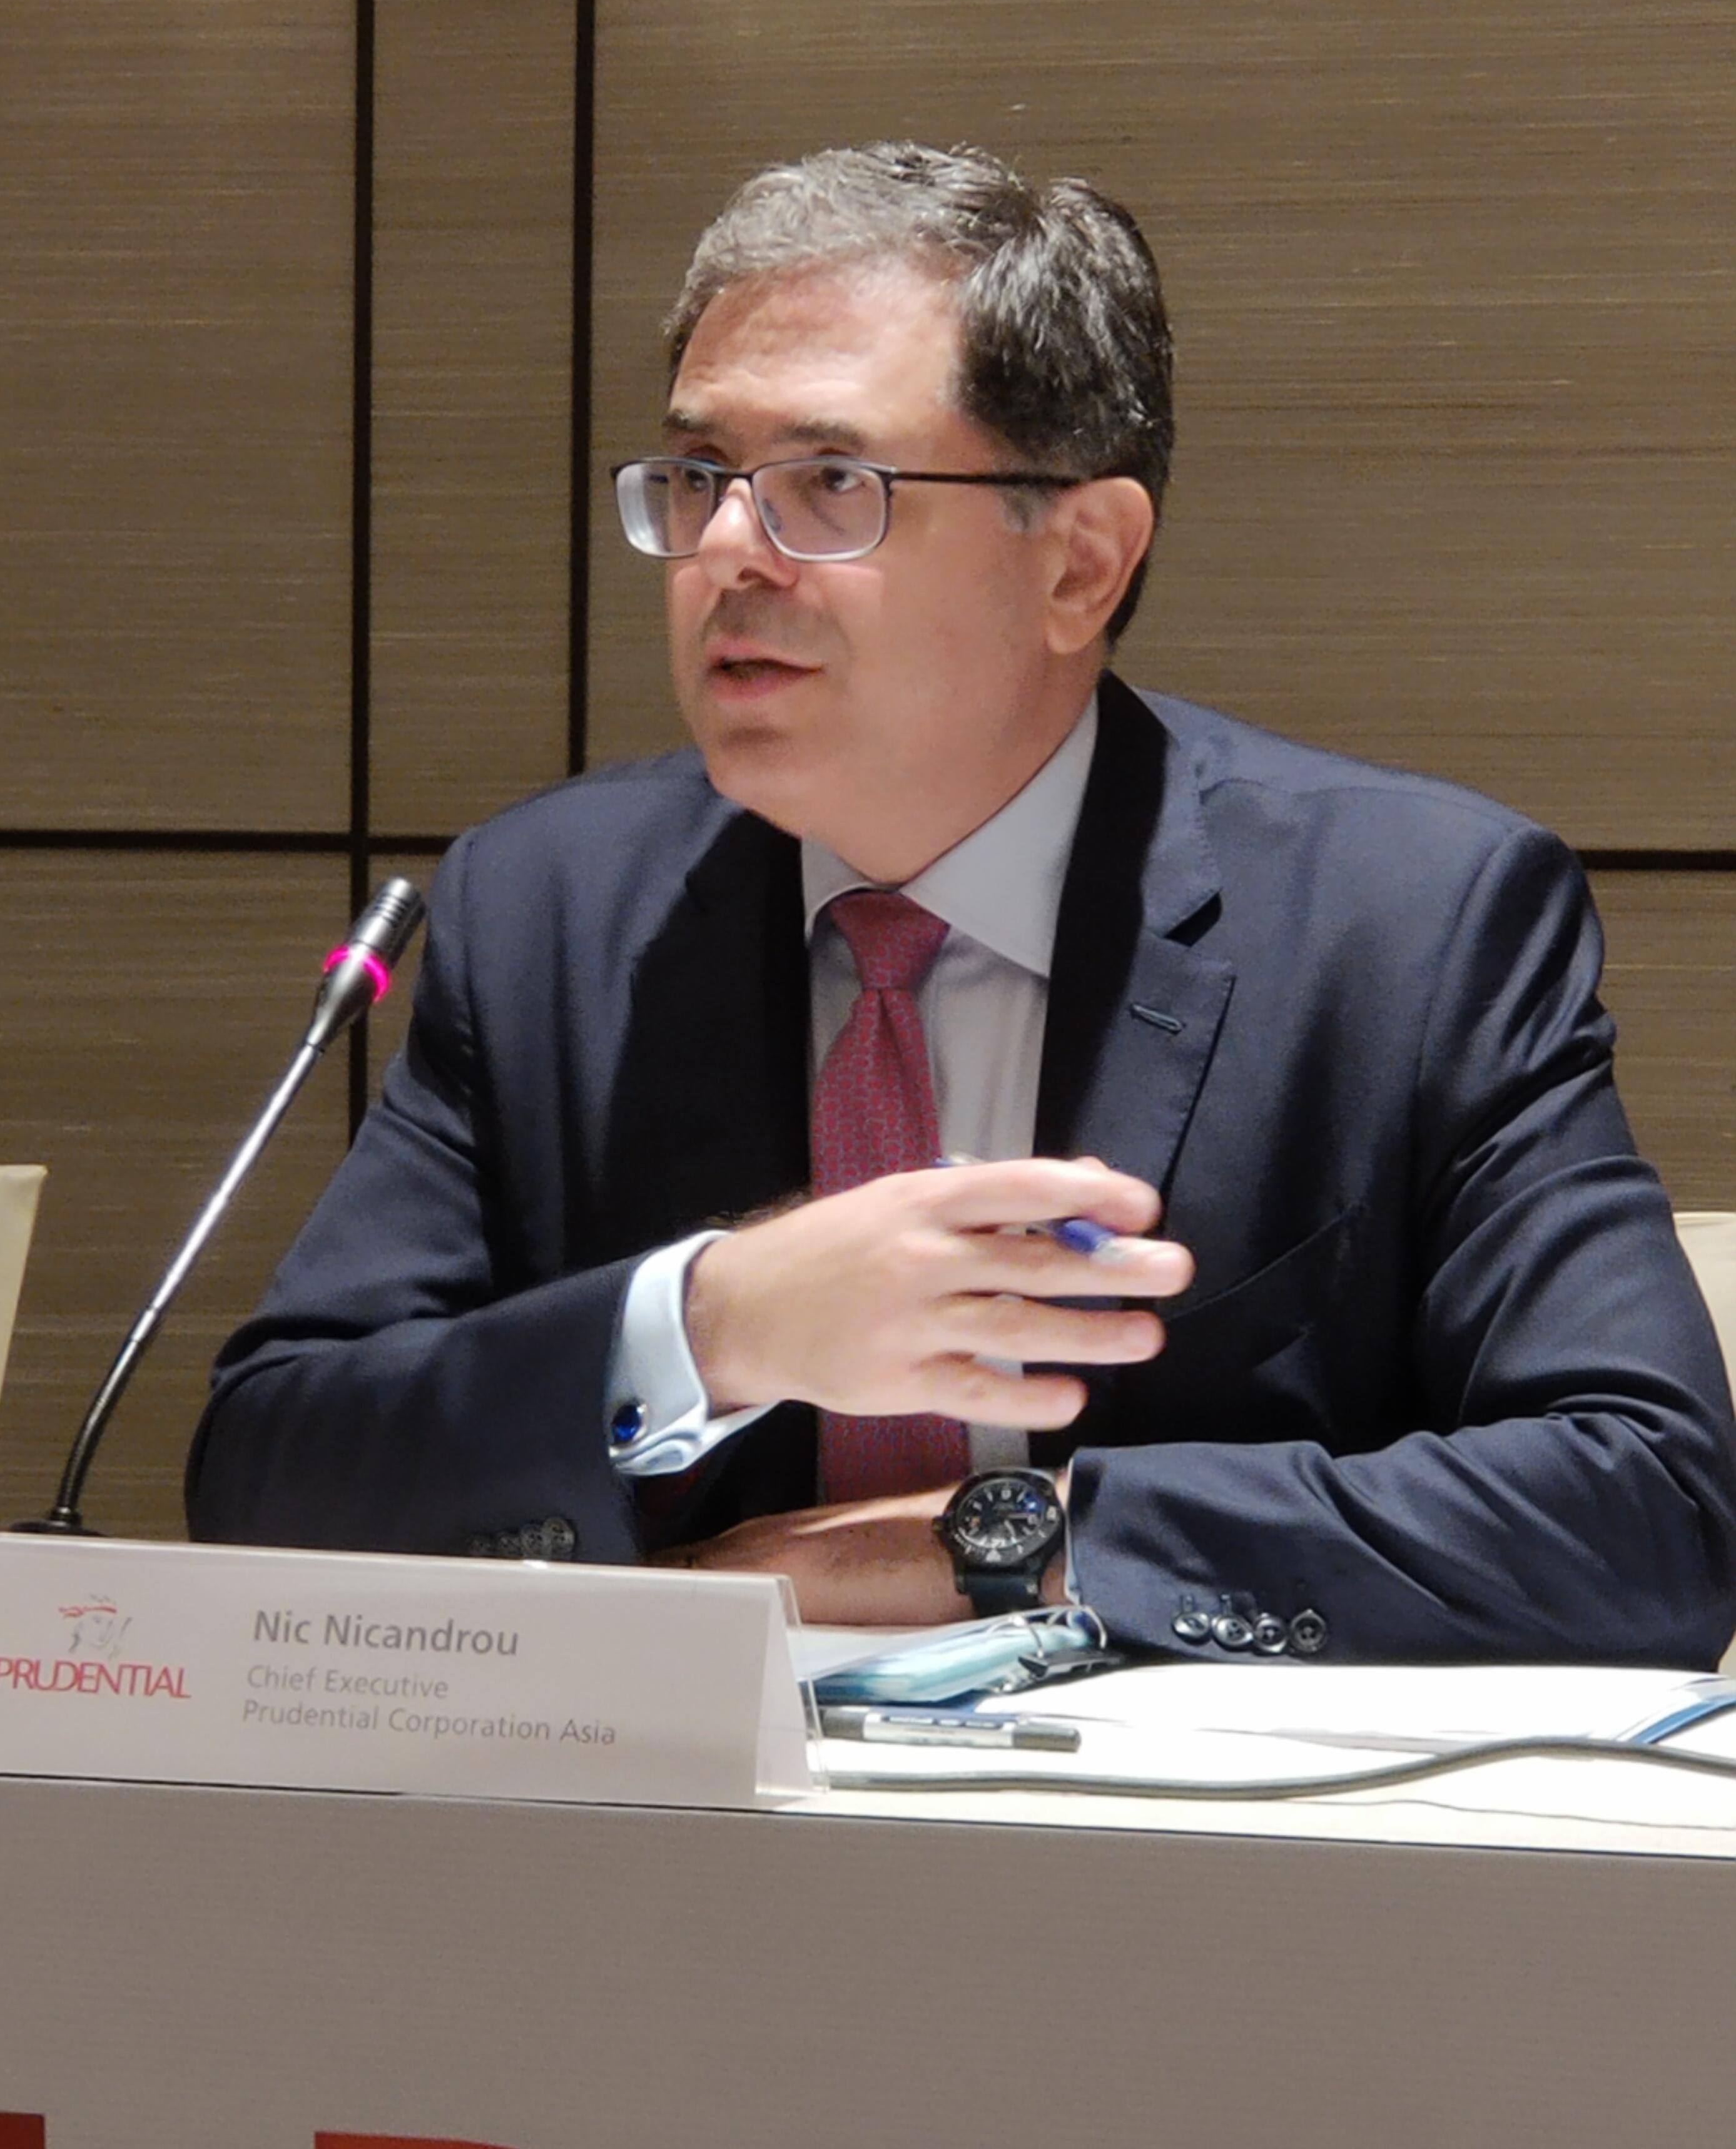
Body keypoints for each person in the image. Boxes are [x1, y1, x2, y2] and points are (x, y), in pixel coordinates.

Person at [187, 140, 1736, 1664]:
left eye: (831, 483)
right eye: (702, 475)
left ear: (1080, 564)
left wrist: (1011, 1541)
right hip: (670, 1812)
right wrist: (713, 1324)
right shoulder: (551, 912)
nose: (726, 551)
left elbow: (1652, 1508)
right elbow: (271, 1474)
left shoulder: (1406, 925)